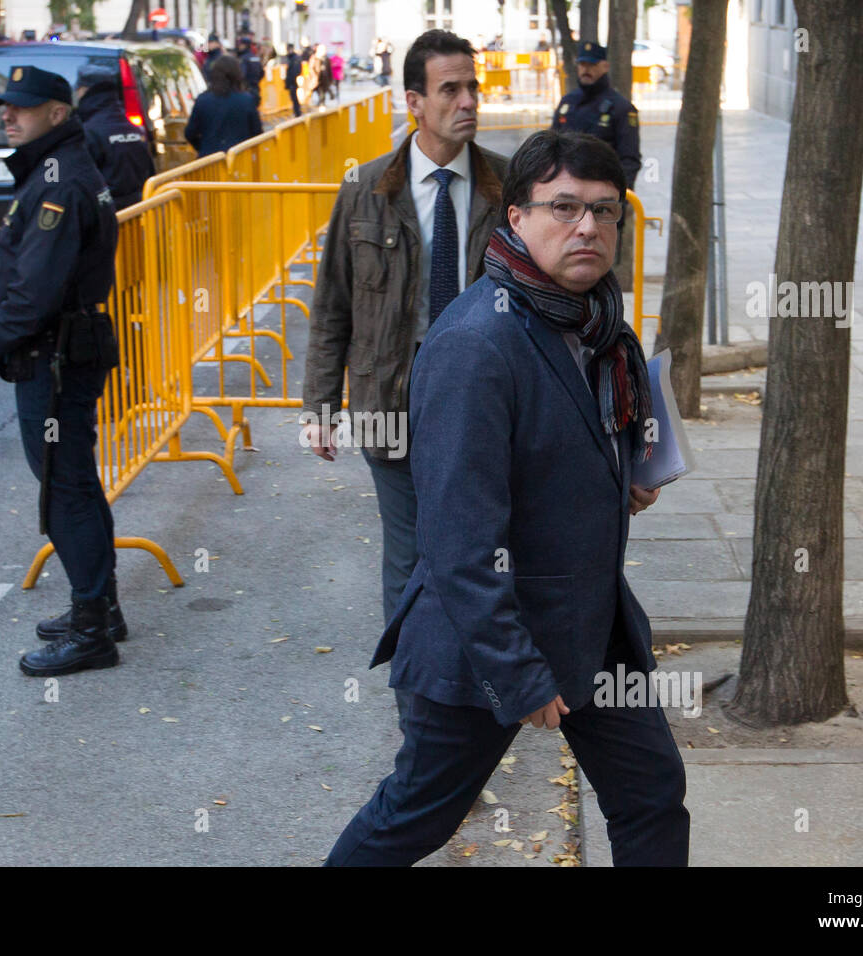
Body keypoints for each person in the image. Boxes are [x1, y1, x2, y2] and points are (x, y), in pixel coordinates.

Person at [325, 130, 688, 867]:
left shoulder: (591, 319)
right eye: (563, 207)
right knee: (414, 818)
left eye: (605, 211)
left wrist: (620, 480)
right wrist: (517, 672)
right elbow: (458, 541)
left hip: (593, 622)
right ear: (516, 218)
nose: (587, 227)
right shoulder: (476, 344)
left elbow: (560, 446)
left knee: (651, 797)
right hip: (484, 638)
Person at [302, 29, 507, 626]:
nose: (468, 101)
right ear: (414, 101)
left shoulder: (508, 185)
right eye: (451, 89)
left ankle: (474, 683)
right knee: (409, 553)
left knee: (479, 549)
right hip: (389, 397)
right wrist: (319, 404)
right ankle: (416, 693)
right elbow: (333, 302)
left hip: (482, 398)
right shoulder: (365, 189)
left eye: (473, 87)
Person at [0, 66, 126, 677]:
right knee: (74, 482)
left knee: (63, 488)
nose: (9, 115)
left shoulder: (58, 181)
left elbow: (34, 290)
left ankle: (92, 627)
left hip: (55, 356)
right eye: (7, 106)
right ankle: (101, 608)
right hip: (63, 349)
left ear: (58, 113)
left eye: (24, 107)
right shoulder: (58, 169)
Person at [551, 41, 640, 191]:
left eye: (592, 65)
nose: (586, 69)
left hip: (601, 194)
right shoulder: (568, 102)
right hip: (565, 191)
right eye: (582, 64)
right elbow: (551, 147)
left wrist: (616, 196)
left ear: (605, 66)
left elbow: (629, 160)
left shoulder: (621, 107)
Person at [74, 64, 156, 209]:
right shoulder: (134, 129)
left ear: (84, 91)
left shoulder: (89, 131)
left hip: (107, 216)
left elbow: (81, 180)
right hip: (137, 213)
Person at [184, 54, 262, 158]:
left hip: (210, 162)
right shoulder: (246, 100)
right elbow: (257, 132)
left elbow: (190, 133)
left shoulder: (203, 100)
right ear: (237, 74)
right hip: (240, 160)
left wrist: (203, 146)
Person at [236, 31, 264, 107]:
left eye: (241, 45)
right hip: (256, 89)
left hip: (246, 90)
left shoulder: (243, 59)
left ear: (245, 45)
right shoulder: (255, 58)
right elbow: (262, 73)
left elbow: (242, 75)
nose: (239, 46)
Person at [283, 43, 303, 117]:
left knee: (294, 97)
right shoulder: (290, 58)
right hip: (291, 81)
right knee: (293, 97)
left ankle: (297, 112)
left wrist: (290, 81)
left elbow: (295, 71)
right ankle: (297, 111)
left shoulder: (295, 58)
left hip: (293, 81)